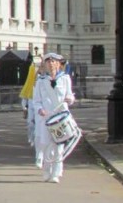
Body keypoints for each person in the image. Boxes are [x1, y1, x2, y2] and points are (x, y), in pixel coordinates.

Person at [32, 53, 75, 183]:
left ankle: (56, 173)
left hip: (61, 117)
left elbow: (70, 96)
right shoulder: (40, 81)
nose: (51, 64)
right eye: (48, 62)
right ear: (44, 64)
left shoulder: (65, 78)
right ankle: (47, 171)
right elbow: (36, 100)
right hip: (47, 117)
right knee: (46, 144)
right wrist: (40, 110)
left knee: (59, 146)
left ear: (58, 63)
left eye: (53, 62)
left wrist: (70, 99)